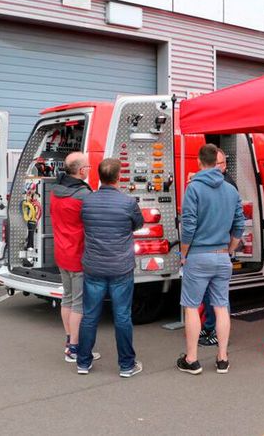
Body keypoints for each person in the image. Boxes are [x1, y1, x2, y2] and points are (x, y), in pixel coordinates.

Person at [177, 144, 244, 375]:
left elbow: (188, 226)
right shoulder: (231, 190)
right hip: (222, 256)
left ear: (199, 162)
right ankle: (222, 358)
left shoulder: (194, 188)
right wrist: (230, 250)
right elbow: (239, 225)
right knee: (221, 306)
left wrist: (183, 254)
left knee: (192, 307)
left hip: (198, 256)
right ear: (217, 163)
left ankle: (192, 359)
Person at [77, 158, 145, 377]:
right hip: (120, 267)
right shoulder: (128, 202)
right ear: (118, 177)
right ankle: (126, 365)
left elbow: (83, 221)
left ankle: (83, 362)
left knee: (89, 316)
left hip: (94, 266)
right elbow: (139, 224)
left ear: (99, 176)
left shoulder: (87, 201)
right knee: (122, 316)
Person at [49, 152, 101, 364]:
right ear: (81, 171)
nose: (89, 169)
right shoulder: (83, 195)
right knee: (79, 303)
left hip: (61, 253)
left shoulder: (55, 191)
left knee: (68, 298)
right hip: (78, 255)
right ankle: (74, 348)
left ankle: (69, 340)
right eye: (88, 166)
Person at [199, 148, 236, 347]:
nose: (217, 167)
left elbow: (237, 222)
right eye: (215, 163)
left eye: (220, 164)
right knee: (211, 293)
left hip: (217, 248)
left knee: (219, 297)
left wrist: (229, 248)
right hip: (216, 248)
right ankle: (210, 326)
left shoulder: (227, 185)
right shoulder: (217, 184)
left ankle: (217, 332)